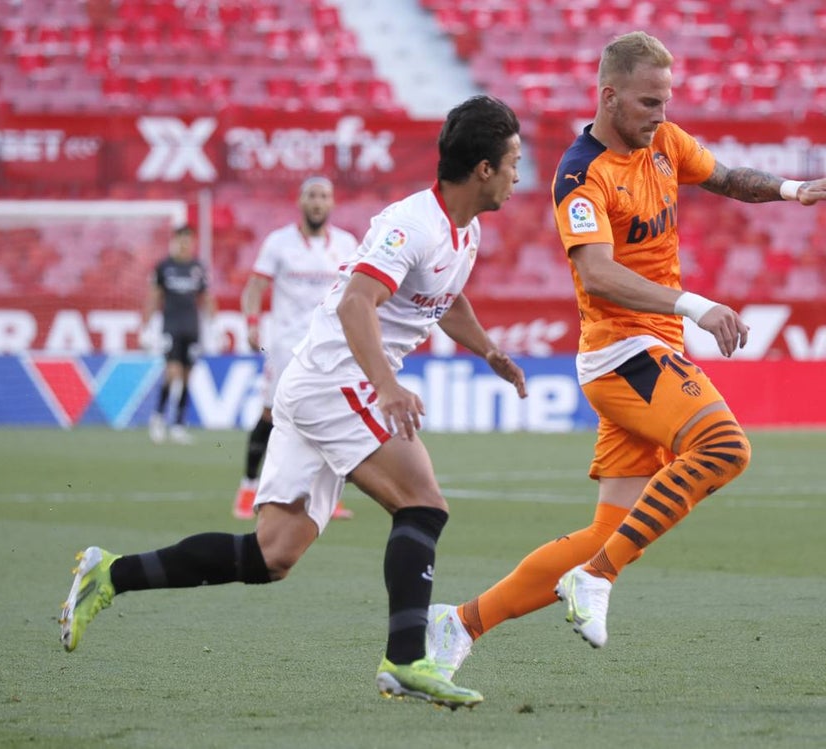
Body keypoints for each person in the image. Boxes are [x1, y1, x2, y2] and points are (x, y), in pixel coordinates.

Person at [58, 95, 527, 710]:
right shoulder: (411, 223)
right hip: (339, 378)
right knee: (422, 503)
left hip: (322, 384)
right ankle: (408, 659)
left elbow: (448, 298)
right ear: (484, 169)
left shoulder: (464, 231)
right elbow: (358, 302)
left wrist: (489, 352)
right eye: (514, 161)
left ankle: (108, 574)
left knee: (271, 555)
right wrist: (386, 384)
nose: (520, 175)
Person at [426, 31, 826, 676]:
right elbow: (600, 274)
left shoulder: (661, 142)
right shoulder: (581, 176)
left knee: (605, 531)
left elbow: (726, 178)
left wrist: (794, 190)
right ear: (609, 97)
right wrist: (695, 304)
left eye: (665, 101)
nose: (661, 115)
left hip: (647, 351)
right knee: (724, 448)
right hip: (620, 353)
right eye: (648, 103)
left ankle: (461, 623)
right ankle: (597, 579)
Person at [235, 177, 360, 521]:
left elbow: (357, 292)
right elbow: (254, 287)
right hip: (286, 345)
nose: (318, 202)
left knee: (332, 417)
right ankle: (248, 489)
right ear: (300, 201)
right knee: (271, 414)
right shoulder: (279, 243)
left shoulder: (347, 243)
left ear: (332, 203)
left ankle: (327, 498)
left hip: (329, 345)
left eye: (324, 196)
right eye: (312, 196)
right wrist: (251, 323)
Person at [141, 224, 215, 444]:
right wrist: (146, 325)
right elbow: (154, 296)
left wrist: (213, 325)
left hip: (192, 327)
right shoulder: (164, 267)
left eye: (188, 239)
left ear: (192, 242)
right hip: (171, 326)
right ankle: (158, 417)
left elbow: (207, 297)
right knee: (171, 372)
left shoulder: (198, 268)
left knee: (186, 377)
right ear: (175, 241)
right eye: (181, 239)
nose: (185, 243)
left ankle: (179, 425)